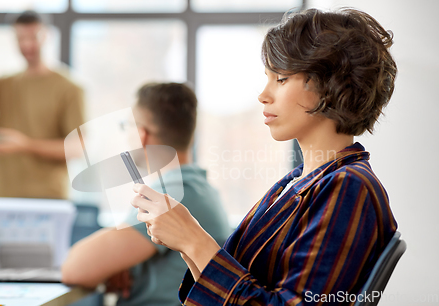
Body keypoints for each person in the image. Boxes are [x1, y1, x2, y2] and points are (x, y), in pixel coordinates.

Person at [132, 8, 398, 305]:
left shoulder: (347, 187)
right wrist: (183, 241)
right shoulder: (297, 183)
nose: (263, 94)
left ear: (331, 85)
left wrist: (192, 239)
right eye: (268, 77)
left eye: (281, 78)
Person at [61, 82, 230, 306]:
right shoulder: (200, 189)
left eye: (127, 126)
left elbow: (73, 269)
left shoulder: (172, 196)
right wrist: (120, 262)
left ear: (142, 135)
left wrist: (114, 259)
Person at [0, 11, 85, 199]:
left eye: (33, 37)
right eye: (21, 38)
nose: (27, 44)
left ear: (46, 35)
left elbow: (76, 149)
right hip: (1, 198)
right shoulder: (2, 84)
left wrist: (25, 145)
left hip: (49, 201)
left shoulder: (70, 88)